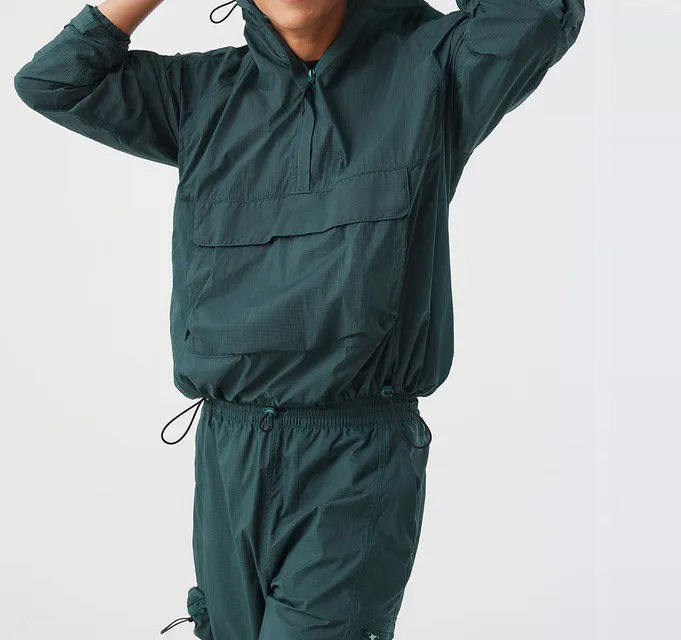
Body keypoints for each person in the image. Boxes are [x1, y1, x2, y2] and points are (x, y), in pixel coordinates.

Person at [14, 0, 585, 637]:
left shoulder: (434, 70)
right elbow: (54, 80)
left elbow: (538, 14)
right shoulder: (201, 94)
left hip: (352, 459)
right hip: (227, 455)